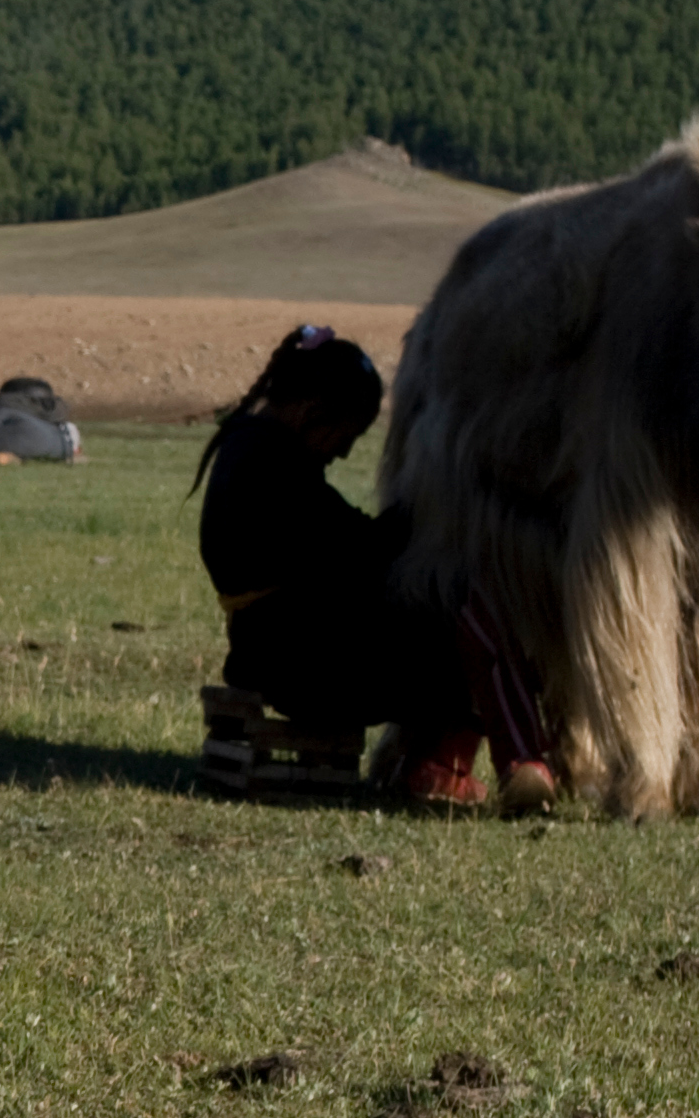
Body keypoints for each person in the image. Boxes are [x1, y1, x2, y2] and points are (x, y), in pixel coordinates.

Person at [191, 326, 493, 804]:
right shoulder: (271, 467)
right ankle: (436, 769)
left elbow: (346, 546)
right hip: (301, 666)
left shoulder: (248, 447)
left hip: (265, 652)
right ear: (313, 413)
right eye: (345, 436)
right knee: (454, 638)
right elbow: (359, 548)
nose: (344, 452)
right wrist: (432, 506)